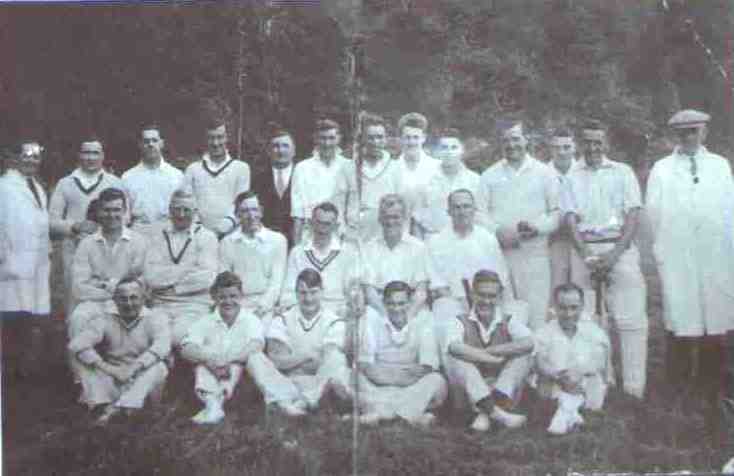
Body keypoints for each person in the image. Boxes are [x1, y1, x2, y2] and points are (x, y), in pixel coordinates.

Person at [646, 110, 734, 429]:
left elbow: (729, 210)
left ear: (705, 132)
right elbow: (654, 215)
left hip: (714, 255)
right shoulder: (662, 170)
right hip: (680, 255)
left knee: (716, 320)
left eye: (694, 132)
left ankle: (714, 389)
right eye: (682, 133)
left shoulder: (720, 166)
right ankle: (680, 388)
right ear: (674, 136)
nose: (688, 138)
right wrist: (665, 251)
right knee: (681, 319)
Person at [564, 119, 648, 400]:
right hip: (584, 250)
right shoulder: (572, 176)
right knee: (587, 318)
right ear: (580, 144)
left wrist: (613, 254)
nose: (592, 147)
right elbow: (570, 218)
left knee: (631, 318)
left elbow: (634, 217)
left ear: (606, 143)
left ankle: (634, 387)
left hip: (619, 250)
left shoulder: (623, 172)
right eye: (587, 142)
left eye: (597, 142)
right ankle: (599, 380)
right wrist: (587, 254)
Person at [180, 271, 307, 424]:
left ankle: (282, 401)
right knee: (202, 360)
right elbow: (187, 347)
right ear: (214, 298)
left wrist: (229, 359)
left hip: (242, 373)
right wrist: (210, 358)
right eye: (222, 297)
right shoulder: (206, 321)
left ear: (241, 296)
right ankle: (213, 405)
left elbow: (257, 344)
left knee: (256, 357)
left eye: (233, 296)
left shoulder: (250, 319)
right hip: (215, 371)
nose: (228, 301)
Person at [476, 121, 560, 329]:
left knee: (537, 314)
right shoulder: (489, 175)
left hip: (534, 253)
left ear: (526, 140)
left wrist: (537, 228)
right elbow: (479, 213)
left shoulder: (545, 173)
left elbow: (556, 213)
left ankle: (538, 358)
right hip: (500, 254)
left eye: (515, 138)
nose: (511, 144)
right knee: (506, 314)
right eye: (506, 140)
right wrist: (497, 231)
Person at [67, 277, 172, 425]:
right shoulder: (105, 318)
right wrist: (109, 369)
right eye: (123, 299)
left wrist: (133, 369)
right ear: (115, 300)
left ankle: (118, 409)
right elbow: (76, 345)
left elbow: (162, 346)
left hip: (141, 377)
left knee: (159, 367)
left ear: (143, 298)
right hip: (114, 376)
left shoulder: (155, 317)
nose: (128, 304)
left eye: (133, 298)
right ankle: (109, 406)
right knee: (82, 359)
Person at [442, 270, 533, 432]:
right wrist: (487, 357)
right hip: (473, 390)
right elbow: (453, 346)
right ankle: (500, 415)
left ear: (499, 297)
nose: (486, 301)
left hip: (502, 387)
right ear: (472, 294)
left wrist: (494, 350)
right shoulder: (459, 320)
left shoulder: (508, 320)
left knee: (524, 357)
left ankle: (487, 413)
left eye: (492, 296)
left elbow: (529, 342)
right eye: (481, 295)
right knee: (455, 358)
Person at [355, 280, 447, 427]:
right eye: (391, 304)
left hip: (409, 386)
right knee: (356, 377)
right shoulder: (371, 318)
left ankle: (379, 414)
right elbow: (365, 366)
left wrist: (388, 375)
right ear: (384, 304)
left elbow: (426, 367)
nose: (396, 309)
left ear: (410, 303)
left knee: (436, 380)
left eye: (401, 303)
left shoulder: (424, 318)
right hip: (380, 386)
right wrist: (400, 376)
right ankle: (409, 416)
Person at [50, 138, 124, 315]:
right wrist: (75, 226)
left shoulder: (114, 182)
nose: (90, 158)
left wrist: (103, 229)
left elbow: (125, 217)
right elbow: (51, 221)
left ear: (103, 156)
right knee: (75, 298)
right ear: (79, 155)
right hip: (74, 250)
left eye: (95, 153)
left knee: (107, 297)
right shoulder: (65, 183)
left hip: (107, 249)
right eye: (86, 152)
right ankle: (73, 336)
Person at [0, 141, 51, 377]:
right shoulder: (4, 186)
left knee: (28, 318)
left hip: (36, 261)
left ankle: (23, 371)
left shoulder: (37, 187)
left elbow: (41, 223)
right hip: (11, 261)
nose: (31, 161)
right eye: (26, 156)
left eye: (35, 157)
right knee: (9, 317)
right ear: (15, 158)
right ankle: (8, 373)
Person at [69, 187, 147, 340]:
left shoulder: (139, 242)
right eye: (106, 210)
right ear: (98, 212)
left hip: (129, 304)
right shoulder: (86, 244)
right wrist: (115, 288)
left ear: (124, 211)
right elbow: (79, 288)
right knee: (79, 317)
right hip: (95, 302)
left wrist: (101, 283)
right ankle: (83, 361)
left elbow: (142, 283)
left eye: (116, 210)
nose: (112, 215)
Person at [265, 269, 351, 409]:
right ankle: (310, 400)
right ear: (296, 293)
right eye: (303, 293)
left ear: (322, 292)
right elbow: (277, 361)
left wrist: (294, 361)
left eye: (313, 292)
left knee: (337, 359)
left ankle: (305, 402)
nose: (308, 298)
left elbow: (328, 361)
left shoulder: (334, 321)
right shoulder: (282, 319)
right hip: (291, 381)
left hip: (320, 380)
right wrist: (308, 356)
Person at [142, 190, 218, 345]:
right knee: (151, 335)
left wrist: (173, 287)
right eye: (177, 209)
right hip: (161, 303)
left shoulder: (207, 237)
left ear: (195, 212)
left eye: (186, 210)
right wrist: (186, 270)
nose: (181, 214)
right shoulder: (157, 235)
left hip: (195, 304)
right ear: (169, 210)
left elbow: (206, 278)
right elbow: (151, 276)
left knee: (178, 337)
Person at [533, 283, 610, 435]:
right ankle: (571, 413)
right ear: (554, 307)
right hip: (556, 384)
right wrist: (559, 376)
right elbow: (539, 363)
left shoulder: (593, 331)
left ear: (582, 307)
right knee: (546, 379)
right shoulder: (544, 332)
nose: (568, 314)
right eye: (562, 308)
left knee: (593, 378)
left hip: (585, 384)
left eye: (574, 308)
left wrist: (579, 372)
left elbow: (600, 362)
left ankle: (565, 412)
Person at [427, 189, 511, 322]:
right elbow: (437, 283)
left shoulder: (487, 238)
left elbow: (501, 277)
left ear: (474, 210)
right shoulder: (436, 242)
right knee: (443, 308)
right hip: (452, 303)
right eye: (457, 207)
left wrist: (483, 302)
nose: (462, 212)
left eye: (466, 206)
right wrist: (463, 303)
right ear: (449, 212)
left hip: (487, 301)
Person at [281, 201, 365, 313]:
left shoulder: (348, 252)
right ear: (311, 223)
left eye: (327, 224)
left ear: (336, 226)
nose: (322, 229)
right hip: (305, 309)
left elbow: (353, 291)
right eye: (319, 223)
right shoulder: (297, 253)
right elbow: (288, 292)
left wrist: (352, 306)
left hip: (337, 311)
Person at [219, 191, 288, 318]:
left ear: (261, 212)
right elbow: (224, 283)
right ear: (237, 215)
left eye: (255, 210)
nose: (251, 216)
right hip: (236, 305)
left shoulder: (278, 240)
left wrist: (262, 308)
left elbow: (276, 283)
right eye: (245, 211)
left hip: (266, 307)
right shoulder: (227, 243)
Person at [333, 113, 400, 242]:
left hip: (385, 236)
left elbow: (402, 207)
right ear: (363, 139)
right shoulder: (348, 168)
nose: (375, 142)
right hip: (354, 237)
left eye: (379, 137)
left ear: (386, 139)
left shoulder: (395, 168)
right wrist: (342, 233)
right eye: (370, 138)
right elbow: (338, 205)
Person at [363, 194, 430, 317]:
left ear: (404, 218)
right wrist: (386, 317)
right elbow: (369, 291)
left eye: (395, 217)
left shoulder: (419, 248)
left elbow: (421, 291)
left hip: (411, 306)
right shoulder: (368, 249)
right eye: (386, 217)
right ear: (379, 219)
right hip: (380, 306)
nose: (390, 222)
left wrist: (407, 318)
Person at [181, 120, 250, 236]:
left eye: (220, 137)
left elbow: (241, 203)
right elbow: (188, 203)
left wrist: (222, 228)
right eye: (211, 138)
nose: (216, 143)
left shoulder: (241, 168)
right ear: (205, 140)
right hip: (199, 235)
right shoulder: (192, 169)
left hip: (232, 235)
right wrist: (200, 230)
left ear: (227, 138)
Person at [291, 119, 349, 245]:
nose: (327, 143)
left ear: (339, 139)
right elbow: (297, 213)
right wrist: (296, 247)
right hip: (310, 237)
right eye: (323, 138)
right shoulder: (302, 168)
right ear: (316, 139)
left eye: (331, 138)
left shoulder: (349, 166)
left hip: (341, 237)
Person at [414, 128, 480, 239]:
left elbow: (480, 217)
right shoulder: (424, 180)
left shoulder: (475, 180)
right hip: (434, 239)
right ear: (437, 152)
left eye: (454, 147)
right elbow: (416, 220)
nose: (449, 152)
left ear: (462, 150)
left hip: (467, 240)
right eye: (444, 148)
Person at [122, 124, 184, 239]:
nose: (150, 144)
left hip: (168, 231)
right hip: (138, 232)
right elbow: (124, 215)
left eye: (154, 140)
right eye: (146, 141)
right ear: (140, 144)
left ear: (162, 143)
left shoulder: (176, 175)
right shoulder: (128, 177)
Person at [392, 113, 440, 237]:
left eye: (415, 137)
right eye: (407, 137)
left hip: (430, 233)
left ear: (423, 138)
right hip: (400, 233)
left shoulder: (437, 168)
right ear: (400, 139)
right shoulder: (391, 169)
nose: (411, 142)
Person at [251, 126, 296, 248]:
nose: (280, 151)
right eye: (276, 146)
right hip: (265, 245)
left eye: (285, 146)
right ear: (269, 151)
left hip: (296, 244)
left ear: (294, 151)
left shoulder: (303, 177)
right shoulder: (257, 179)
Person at [547, 127, 579, 291]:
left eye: (566, 147)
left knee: (583, 285)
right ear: (550, 149)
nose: (562, 152)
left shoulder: (583, 171)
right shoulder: (543, 174)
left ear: (574, 147)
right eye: (556, 148)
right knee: (557, 285)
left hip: (582, 238)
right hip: (556, 240)